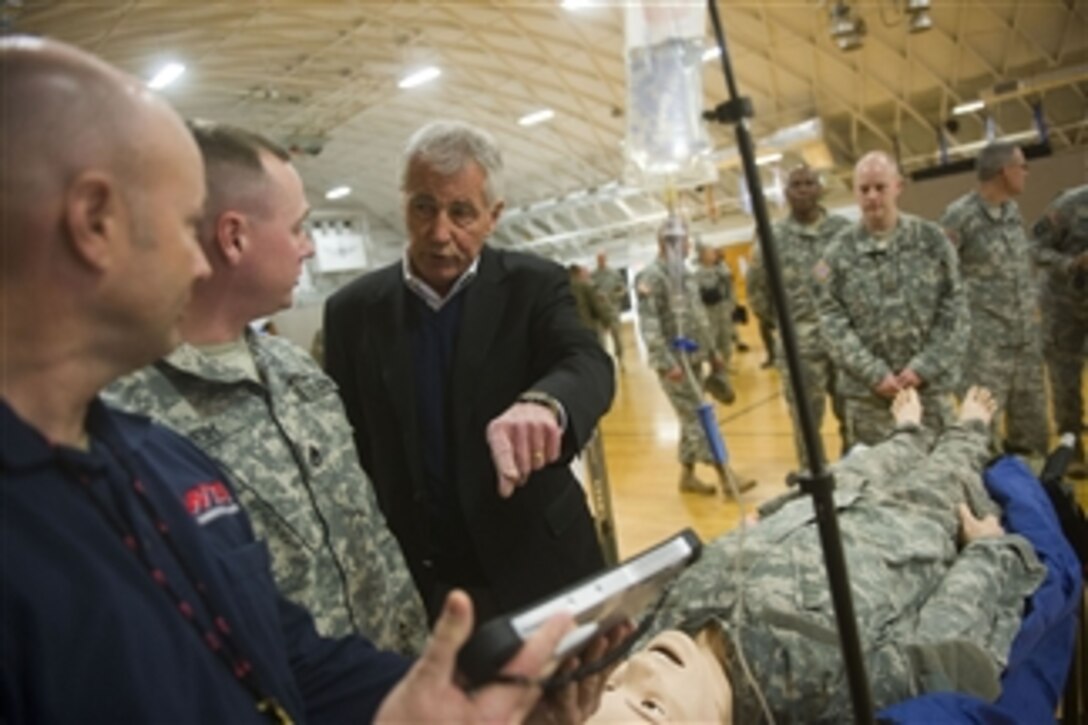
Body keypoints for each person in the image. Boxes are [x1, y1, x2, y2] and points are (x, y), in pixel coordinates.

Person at [0, 36, 619, 724]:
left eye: (463, 212)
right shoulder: (132, 449)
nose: (199, 259)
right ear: (94, 222)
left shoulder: (148, 458)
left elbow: (271, 640)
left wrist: (433, 693)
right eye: (183, 224)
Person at [105, 121, 428, 655]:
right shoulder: (127, 414)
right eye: (299, 227)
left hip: (394, 683)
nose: (307, 248)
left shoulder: (291, 366)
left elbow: (370, 536)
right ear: (235, 237)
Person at [588, 387, 1047, 723]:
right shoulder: (821, 695)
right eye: (652, 707)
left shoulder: (650, 626)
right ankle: (967, 430)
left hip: (827, 499)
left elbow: (737, 543)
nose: (641, 667)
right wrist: (987, 552)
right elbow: (947, 654)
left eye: (612, 684)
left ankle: (906, 434)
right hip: (912, 522)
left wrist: (764, 516)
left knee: (885, 450)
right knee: (956, 455)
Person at [324, 120, 613, 623]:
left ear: (493, 216)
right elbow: (352, 446)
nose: (439, 233)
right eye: (423, 207)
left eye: (461, 213)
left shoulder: (534, 285)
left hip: (537, 566)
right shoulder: (351, 312)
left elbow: (586, 361)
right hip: (418, 582)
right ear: (403, 203)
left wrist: (546, 404)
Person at [817, 151, 968, 447]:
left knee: (939, 477)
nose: (872, 196)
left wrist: (923, 367)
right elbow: (830, 322)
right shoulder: (834, 254)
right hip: (869, 401)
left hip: (930, 393)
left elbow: (956, 311)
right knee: (877, 486)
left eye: (880, 187)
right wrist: (873, 373)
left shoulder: (932, 240)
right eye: (864, 189)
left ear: (898, 187)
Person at [940, 142, 1048, 458]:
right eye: (1022, 166)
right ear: (1005, 171)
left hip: (1025, 344)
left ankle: (1032, 500)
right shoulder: (960, 216)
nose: (1026, 173)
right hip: (984, 349)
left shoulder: (1011, 212)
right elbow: (939, 278)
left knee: (1033, 434)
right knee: (982, 440)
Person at [635, 218, 756, 497]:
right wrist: (667, 364)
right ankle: (726, 476)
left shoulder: (685, 275)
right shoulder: (651, 277)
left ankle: (687, 477)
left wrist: (713, 353)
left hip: (694, 360)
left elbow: (700, 319)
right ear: (667, 244)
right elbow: (649, 325)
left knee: (692, 418)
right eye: (684, 241)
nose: (689, 246)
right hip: (674, 366)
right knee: (700, 420)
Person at [747, 165, 852, 466]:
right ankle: (815, 484)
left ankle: (854, 476)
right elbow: (757, 292)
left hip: (846, 343)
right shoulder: (772, 238)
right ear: (786, 194)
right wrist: (788, 324)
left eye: (809, 183)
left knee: (855, 417)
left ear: (820, 189)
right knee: (807, 423)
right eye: (796, 185)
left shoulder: (843, 231)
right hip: (799, 349)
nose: (804, 189)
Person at [1032, 183, 1088, 478]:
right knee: (1065, 377)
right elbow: (1035, 249)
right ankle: (1072, 444)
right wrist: (1072, 264)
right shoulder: (1068, 206)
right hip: (1062, 306)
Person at [693, 241, 737, 372]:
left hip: (723, 308)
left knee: (726, 336)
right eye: (710, 253)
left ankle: (727, 363)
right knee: (712, 339)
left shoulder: (721, 269)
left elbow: (729, 287)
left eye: (714, 253)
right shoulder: (696, 273)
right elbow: (694, 295)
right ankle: (716, 367)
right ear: (702, 256)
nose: (714, 255)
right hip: (708, 310)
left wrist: (732, 304)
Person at [591, 251, 628, 368]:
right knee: (600, 339)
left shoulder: (614, 274)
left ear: (606, 259)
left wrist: (615, 297)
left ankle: (620, 359)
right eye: (598, 258)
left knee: (616, 336)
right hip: (599, 312)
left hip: (612, 310)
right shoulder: (593, 275)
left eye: (602, 258)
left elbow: (623, 289)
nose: (601, 260)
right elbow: (590, 291)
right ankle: (604, 362)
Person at [570, 263, 613, 339]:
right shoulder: (585, 286)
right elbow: (596, 306)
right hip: (588, 326)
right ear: (578, 273)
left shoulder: (564, 289)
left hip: (572, 329)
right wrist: (606, 322)